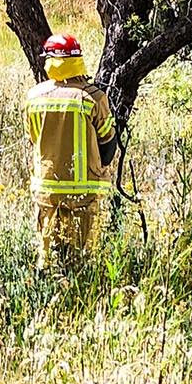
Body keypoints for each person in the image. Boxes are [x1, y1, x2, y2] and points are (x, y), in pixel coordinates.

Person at [25, 33, 118, 270]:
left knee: (48, 257)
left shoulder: (34, 97)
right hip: (84, 192)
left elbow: (34, 139)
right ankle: (80, 300)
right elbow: (108, 142)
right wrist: (100, 167)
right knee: (81, 258)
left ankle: (48, 298)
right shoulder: (93, 97)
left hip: (46, 189)